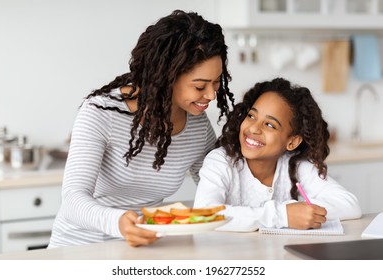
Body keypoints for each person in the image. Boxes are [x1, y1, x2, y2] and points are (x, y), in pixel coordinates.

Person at [48, 10, 234, 248]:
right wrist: (120, 223)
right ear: (167, 77)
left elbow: (216, 189)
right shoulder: (102, 111)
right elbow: (73, 199)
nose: (210, 95)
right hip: (79, 249)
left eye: (216, 83)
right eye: (199, 86)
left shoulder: (197, 125)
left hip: (144, 249)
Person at [194, 77, 361, 232]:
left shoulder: (297, 166)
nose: (253, 128)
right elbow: (205, 214)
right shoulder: (221, 161)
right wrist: (283, 215)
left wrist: (303, 213)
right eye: (251, 116)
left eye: (270, 125)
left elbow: (350, 205)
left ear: (292, 142)